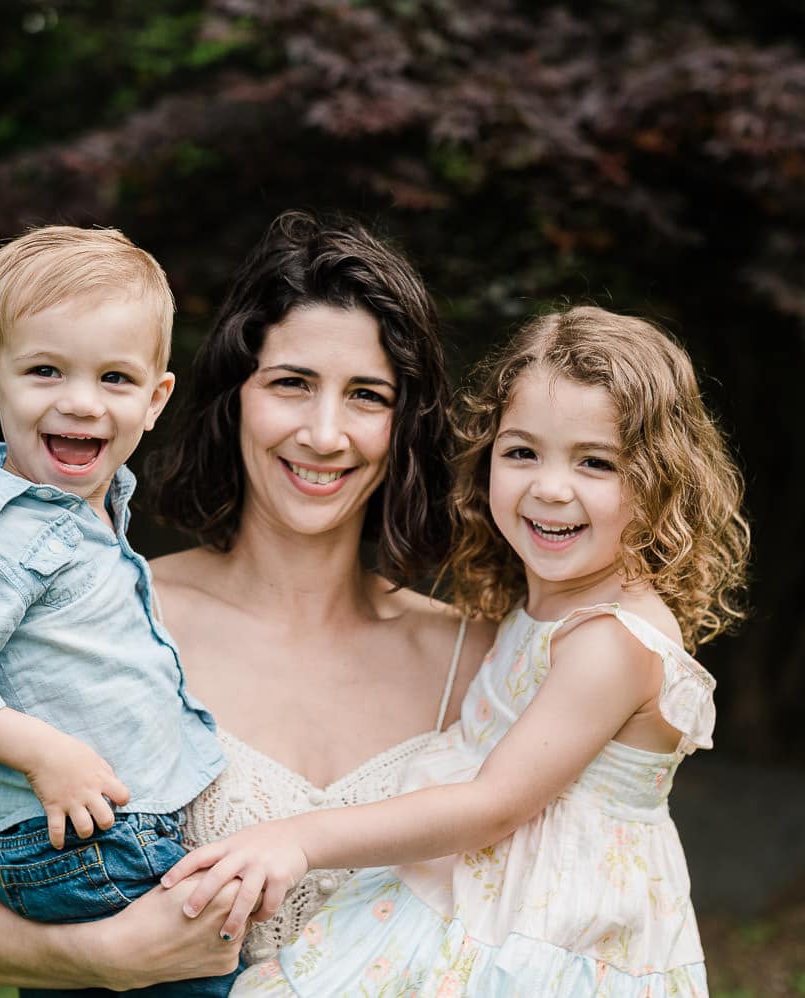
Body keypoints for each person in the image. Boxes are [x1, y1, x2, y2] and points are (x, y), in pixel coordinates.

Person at [0, 211, 495, 993]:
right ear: (234, 398)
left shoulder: (472, 658)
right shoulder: (103, 615)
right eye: (291, 384)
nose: (323, 432)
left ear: (404, 423)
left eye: (368, 395)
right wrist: (102, 959)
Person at [162, 305, 752, 996]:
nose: (549, 487)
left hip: (549, 947)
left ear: (659, 481)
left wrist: (299, 837)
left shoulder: (612, 640)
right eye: (522, 452)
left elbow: (493, 803)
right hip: (481, 910)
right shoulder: (539, 614)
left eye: (596, 462)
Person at [0, 225, 234, 996]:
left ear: (156, 397)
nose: (80, 402)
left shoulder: (81, 511)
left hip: (98, 837)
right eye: (44, 370)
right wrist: (47, 756)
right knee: (209, 971)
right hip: (80, 842)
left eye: (113, 378)